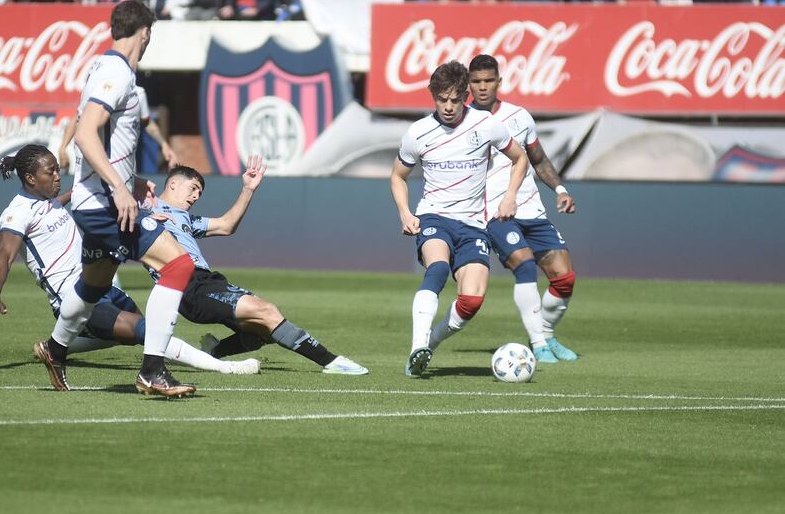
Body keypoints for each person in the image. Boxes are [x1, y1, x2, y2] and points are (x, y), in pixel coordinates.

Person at [0, 145, 260, 376]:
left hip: (99, 286)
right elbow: (3, 255)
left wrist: (142, 209)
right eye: (50, 172)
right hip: (72, 298)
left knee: (137, 331)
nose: (57, 176)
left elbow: (69, 198)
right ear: (29, 178)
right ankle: (226, 367)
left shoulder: (47, 200)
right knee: (147, 331)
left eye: (57, 169)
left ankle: (56, 347)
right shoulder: (17, 213)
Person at [38, 0, 198, 398]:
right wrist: (119, 187)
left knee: (94, 284)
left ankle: (55, 349)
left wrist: (132, 179)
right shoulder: (115, 71)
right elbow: (86, 133)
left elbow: (97, 141)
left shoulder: (104, 68)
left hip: (96, 201)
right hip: (104, 204)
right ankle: (152, 371)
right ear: (145, 32)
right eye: (150, 35)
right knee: (177, 265)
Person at [151, 159, 368, 375]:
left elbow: (226, 226)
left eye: (200, 192)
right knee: (267, 311)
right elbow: (120, 210)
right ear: (172, 184)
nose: (196, 196)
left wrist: (247, 189)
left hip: (208, 281)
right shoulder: (145, 207)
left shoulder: (185, 218)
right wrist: (146, 215)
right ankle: (331, 362)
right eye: (193, 188)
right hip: (188, 286)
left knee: (262, 333)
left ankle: (214, 350)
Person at [390, 61, 529, 377]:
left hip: (473, 226)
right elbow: (398, 176)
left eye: (455, 99)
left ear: (466, 95)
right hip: (435, 217)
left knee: (472, 301)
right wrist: (405, 212)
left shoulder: (486, 125)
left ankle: (430, 346)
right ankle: (416, 346)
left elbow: (519, 158)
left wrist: (510, 196)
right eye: (442, 99)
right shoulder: (418, 133)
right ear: (433, 96)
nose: (449, 107)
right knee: (437, 268)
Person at [467, 54, 579, 363]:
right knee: (525, 265)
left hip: (532, 209)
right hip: (496, 213)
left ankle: (547, 335)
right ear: (468, 85)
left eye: (488, 80)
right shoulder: (462, 121)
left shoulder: (519, 116)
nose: (482, 87)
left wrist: (560, 190)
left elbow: (538, 159)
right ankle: (538, 344)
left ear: (499, 82)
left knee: (564, 278)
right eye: (476, 82)